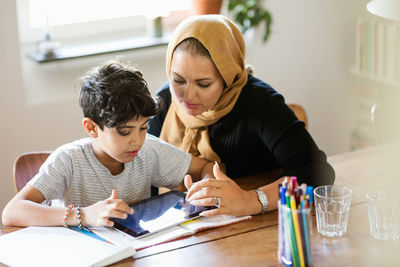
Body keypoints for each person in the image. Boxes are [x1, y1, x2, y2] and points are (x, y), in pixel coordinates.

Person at [148, 15, 335, 217]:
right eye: (178, 80)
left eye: (204, 84)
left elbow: (317, 171)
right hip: (189, 229)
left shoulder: (260, 103)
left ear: (228, 78)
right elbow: (143, 174)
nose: (188, 95)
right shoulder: (164, 102)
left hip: (257, 227)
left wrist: (252, 200)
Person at [2, 61, 214, 227]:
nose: (137, 140)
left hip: (134, 250)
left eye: (143, 128)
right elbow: (12, 212)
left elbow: (205, 167)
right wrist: (84, 215)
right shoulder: (68, 161)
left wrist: (206, 189)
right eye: (124, 132)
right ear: (92, 128)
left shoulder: (147, 150)